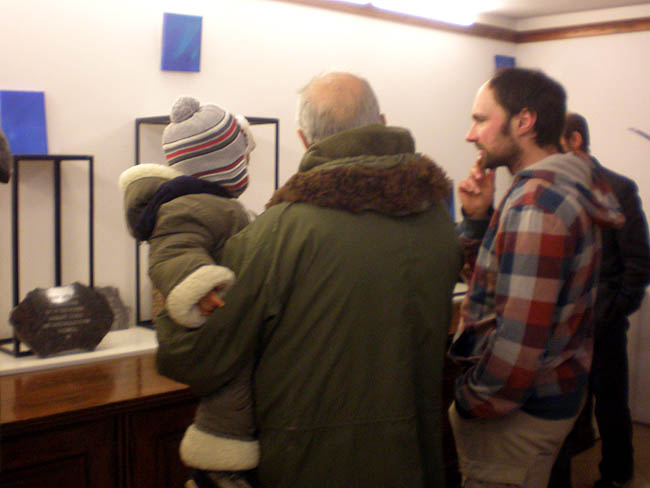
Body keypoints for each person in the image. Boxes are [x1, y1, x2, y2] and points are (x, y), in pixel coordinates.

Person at [152, 71, 463, 487]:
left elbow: (196, 356)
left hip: (309, 464)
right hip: (415, 461)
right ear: (382, 122)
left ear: (303, 139)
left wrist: (175, 291)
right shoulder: (438, 221)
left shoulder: (279, 232)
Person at [447, 68, 625, 488]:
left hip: (520, 413)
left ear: (524, 121)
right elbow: (500, 288)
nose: (471, 134)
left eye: (480, 119)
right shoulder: (559, 185)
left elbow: (518, 347)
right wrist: (478, 221)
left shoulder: (537, 204)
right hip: (550, 396)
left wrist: (470, 399)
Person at [119, 96, 260, 488]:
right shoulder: (191, 208)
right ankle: (219, 467)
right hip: (214, 319)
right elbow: (174, 253)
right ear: (223, 165)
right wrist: (199, 284)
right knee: (232, 391)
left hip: (227, 317)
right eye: (242, 159)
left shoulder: (212, 204)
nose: (247, 166)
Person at [548, 113, 650, 488]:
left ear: (575, 140)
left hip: (603, 324)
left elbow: (638, 262)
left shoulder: (619, 188)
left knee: (611, 406)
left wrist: (611, 311)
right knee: (561, 410)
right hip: (561, 327)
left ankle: (617, 476)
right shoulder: (552, 189)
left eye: (554, 142)